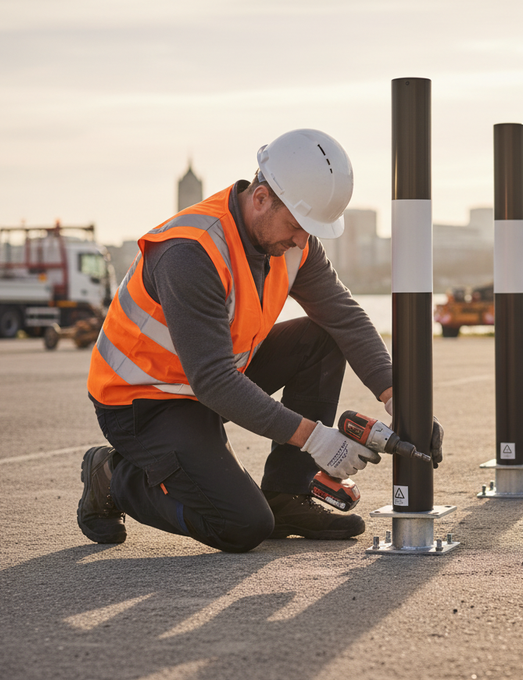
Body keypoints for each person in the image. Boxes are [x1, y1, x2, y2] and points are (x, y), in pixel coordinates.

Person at [78, 128, 443, 553]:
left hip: (208, 380)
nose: (301, 241)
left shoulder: (292, 242)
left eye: (309, 230)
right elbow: (213, 381)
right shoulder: (189, 251)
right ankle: (112, 476)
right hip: (145, 402)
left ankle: (287, 493)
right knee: (241, 525)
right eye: (296, 226)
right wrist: (314, 437)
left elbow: (344, 318)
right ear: (261, 197)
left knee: (322, 337)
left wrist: (400, 397)